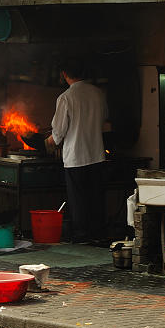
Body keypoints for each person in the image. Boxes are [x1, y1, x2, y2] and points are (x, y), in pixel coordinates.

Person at [46, 57, 109, 243]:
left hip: (76, 157)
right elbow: (104, 118)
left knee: (78, 199)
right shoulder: (98, 94)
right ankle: (98, 234)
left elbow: (58, 132)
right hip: (97, 154)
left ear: (65, 74)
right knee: (96, 197)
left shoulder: (66, 97)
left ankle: (82, 236)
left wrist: (48, 142)